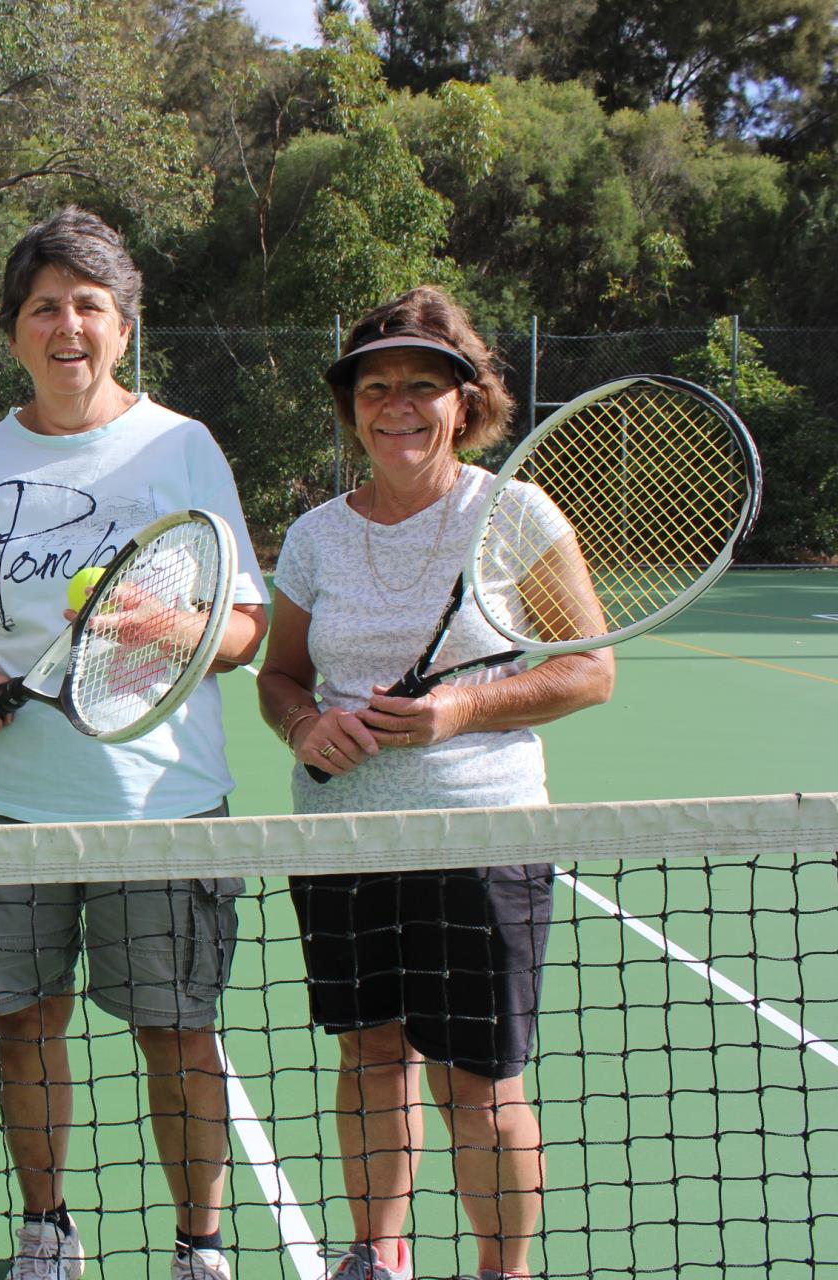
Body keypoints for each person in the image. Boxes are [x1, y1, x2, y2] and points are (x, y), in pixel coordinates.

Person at [0, 207, 268, 1280]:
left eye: (88, 305)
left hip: (160, 801)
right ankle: (47, 1229)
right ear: (14, 329)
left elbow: (247, 624)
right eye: (44, 307)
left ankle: (199, 1243)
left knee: (177, 1033)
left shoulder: (182, 446)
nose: (65, 325)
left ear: (124, 326)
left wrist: (164, 632)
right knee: (24, 1022)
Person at [255, 286, 615, 1280]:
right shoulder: (320, 534)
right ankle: (378, 1252)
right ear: (353, 405)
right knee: (369, 1060)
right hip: (343, 843)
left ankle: (505, 1269)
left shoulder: (515, 512)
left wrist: (459, 710)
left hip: (479, 839)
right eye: (377, 387)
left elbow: (590, 668)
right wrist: (305, 724)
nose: (398, 405)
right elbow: (280, 676)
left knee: (480, 1085)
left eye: (423, 384)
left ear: (465, 399)